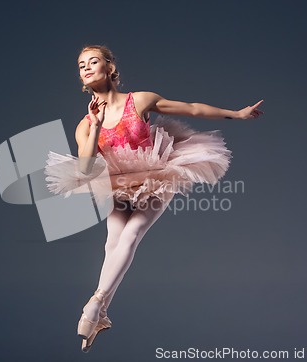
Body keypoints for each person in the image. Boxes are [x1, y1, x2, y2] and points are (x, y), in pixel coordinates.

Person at [45, 44, 263, 352]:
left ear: (109, 67)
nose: (87, 68)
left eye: (93, 61)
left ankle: (94, 304)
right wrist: (94, 126)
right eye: (82, 65)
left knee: (132, 234)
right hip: (118, 180)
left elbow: (192, 108)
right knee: (113, 242)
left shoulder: (140, 101)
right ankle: (100, 312)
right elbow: (83, 167)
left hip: (158, 172)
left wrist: (236, 114)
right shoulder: (85, 124)